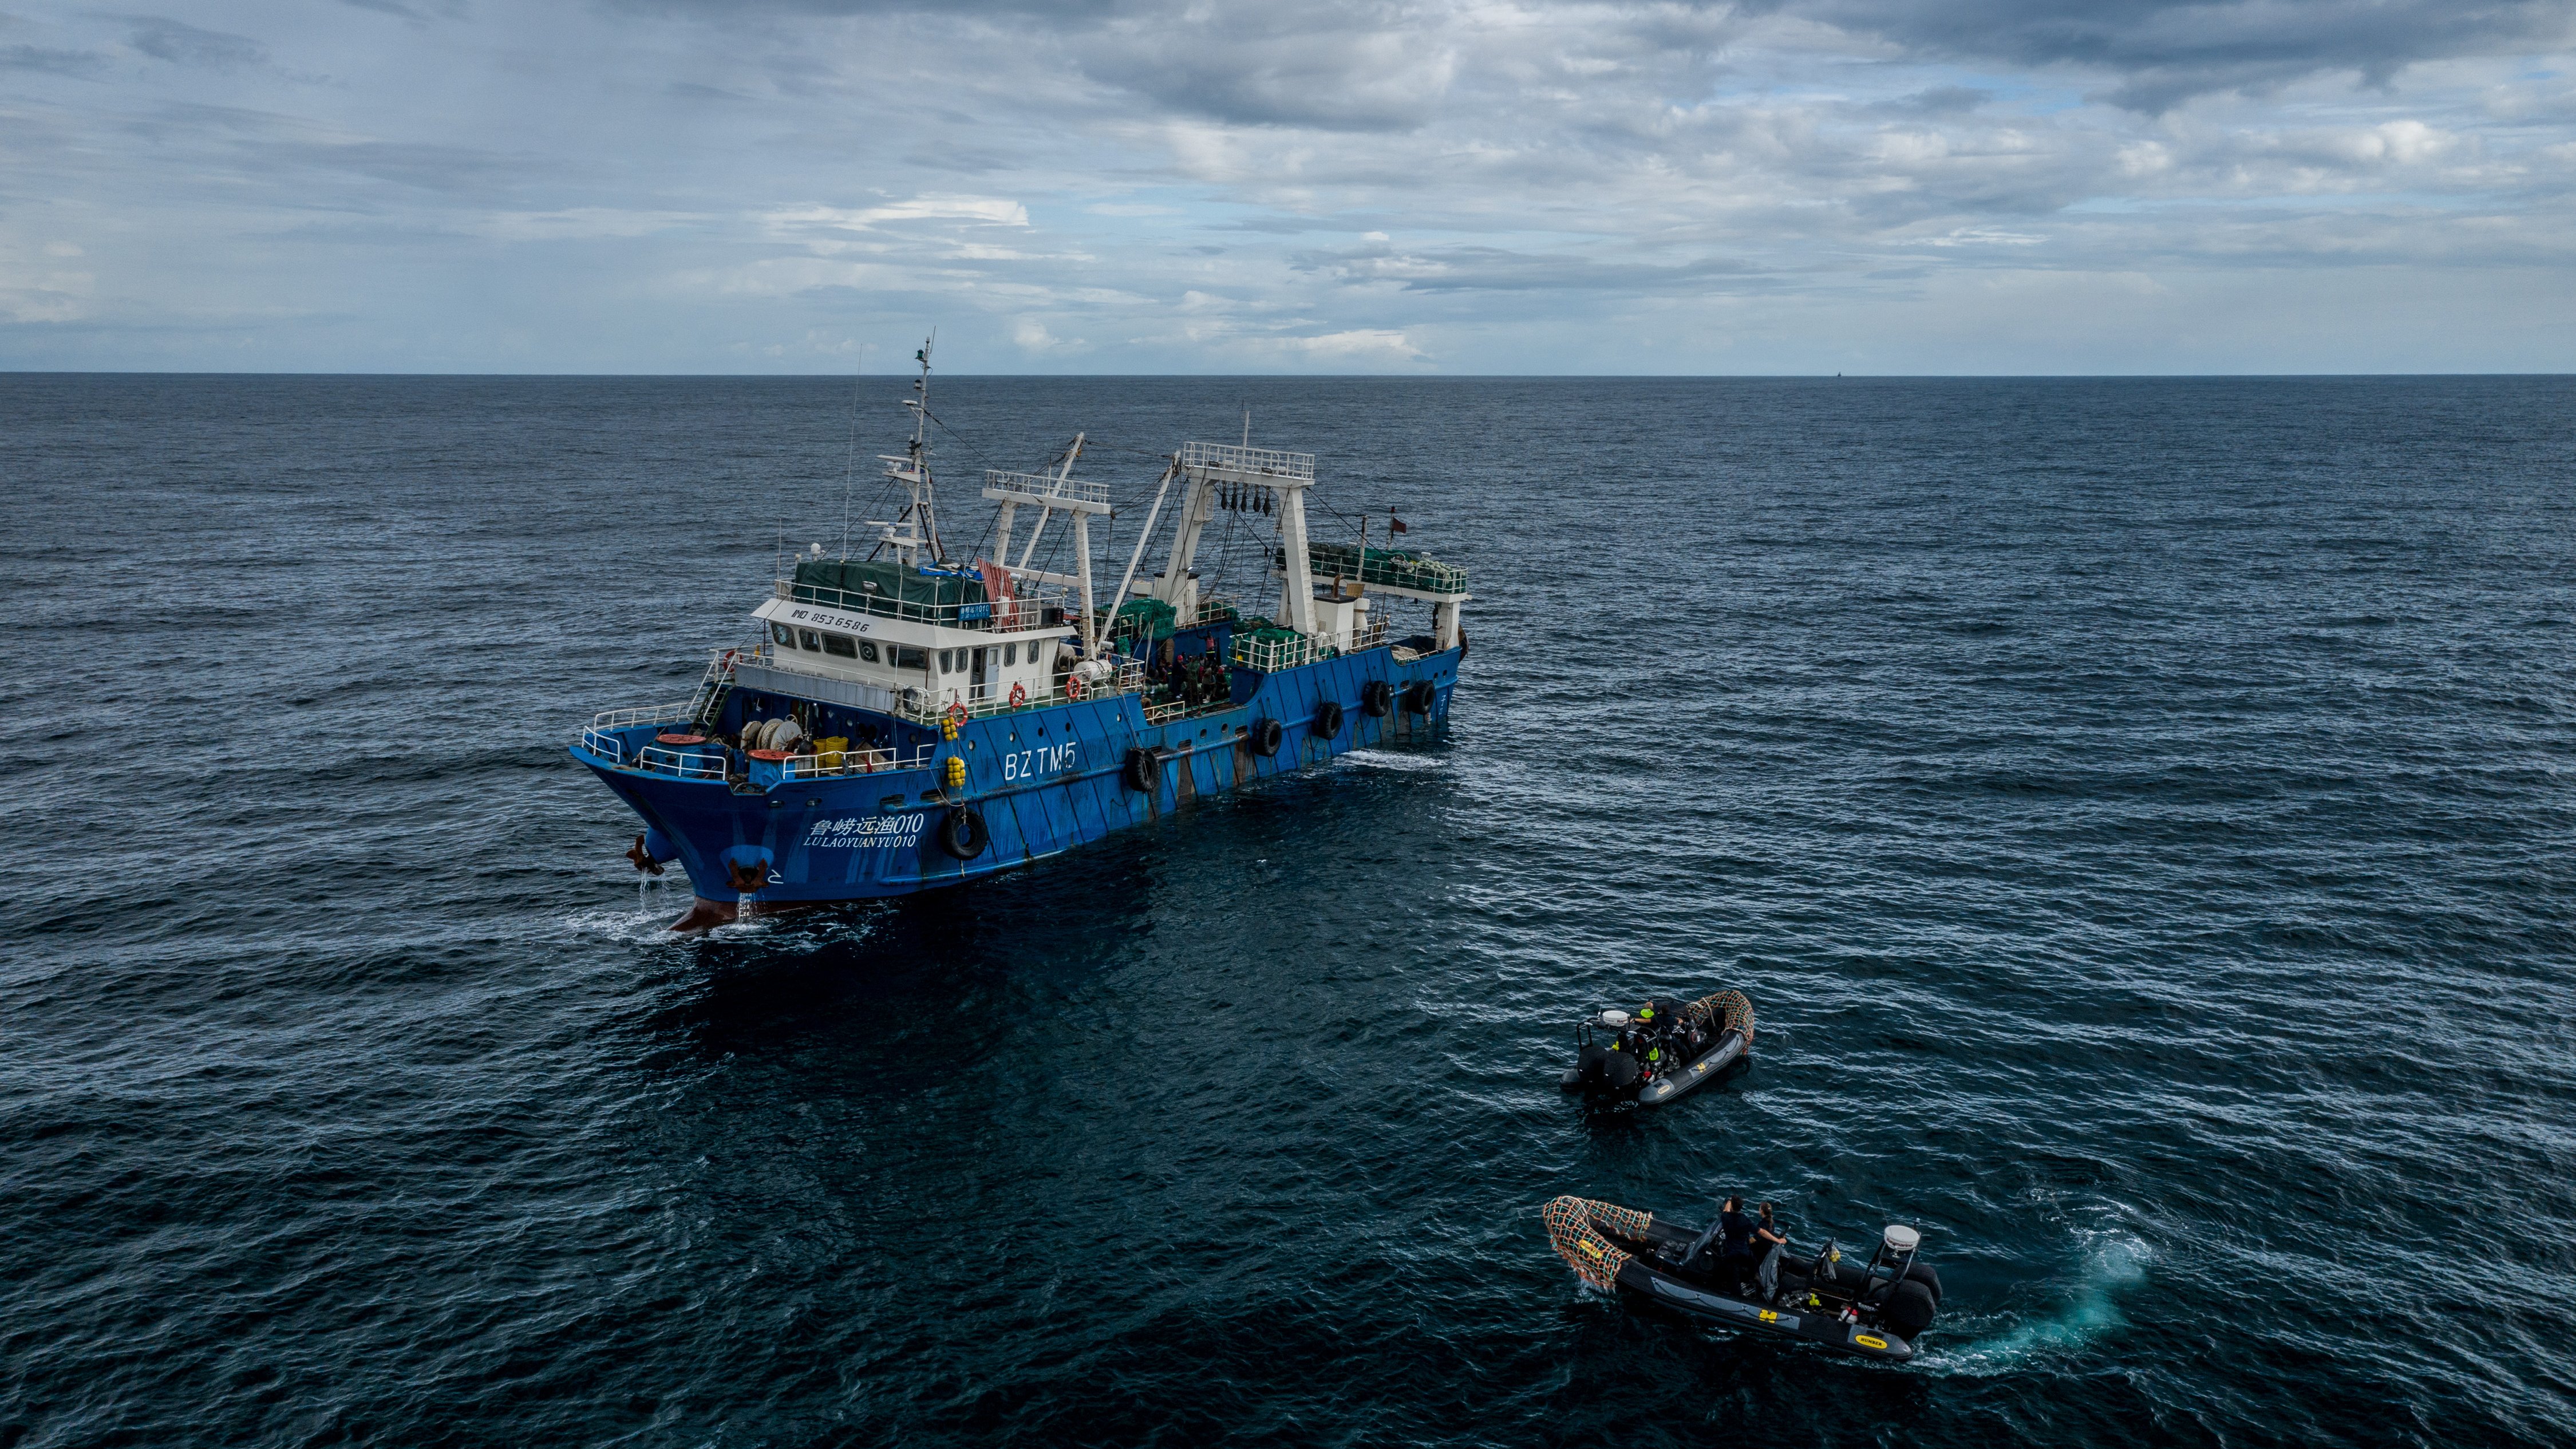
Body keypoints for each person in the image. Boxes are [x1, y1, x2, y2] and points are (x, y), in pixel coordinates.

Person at [1717, 1197, 1759, 1291]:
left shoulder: (1726, 1218)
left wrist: (1729, 1201)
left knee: (1724, 1269)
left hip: (1732, 1253)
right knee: (1754, 1261)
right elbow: (1761, 1232)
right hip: (1745, 1252)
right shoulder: (1745, 1220)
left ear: (1732, 1207)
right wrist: (1777, 1240)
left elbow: (1726, 1211)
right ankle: (1755, 1275)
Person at [1753, 1203, 1788, 1301]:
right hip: (1767, 1247)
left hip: (1761, 1251)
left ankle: (1755, 1275)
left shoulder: (1762, 1224)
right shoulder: (1771, 1223)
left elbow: (1757, 1237)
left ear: (1762, 1211)